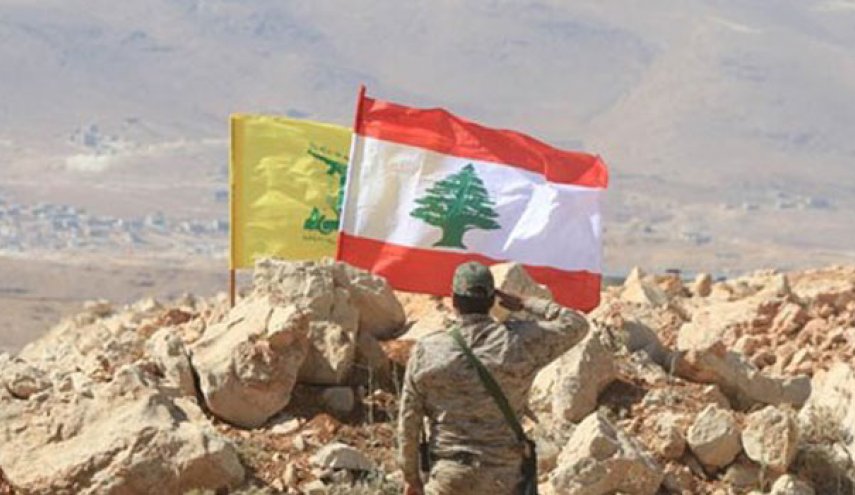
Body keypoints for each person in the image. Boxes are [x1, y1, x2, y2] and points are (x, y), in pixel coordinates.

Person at [398, 261, 590, 495]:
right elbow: (576, 323)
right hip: (504, 478)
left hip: (449, 476)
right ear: (492, 301)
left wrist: (411, 478)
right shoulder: (520, 342)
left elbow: (409, 419)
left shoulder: (428, 350)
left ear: (454, 300)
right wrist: (525, 303)